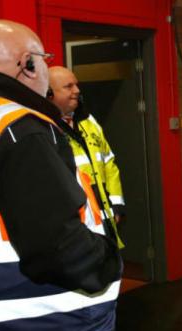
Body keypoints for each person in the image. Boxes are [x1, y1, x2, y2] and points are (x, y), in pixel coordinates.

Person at [0, 20, 121, 331]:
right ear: (27, 64)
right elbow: (57, 245)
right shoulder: (17, 126)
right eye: (44, 58)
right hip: (48, 328)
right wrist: (108, 263)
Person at [47, 66, 126, 249]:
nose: (77, 91)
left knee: (108, 273)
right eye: (68, 86)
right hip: (74, 225)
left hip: (105, 220)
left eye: (76, 85)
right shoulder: (43, 128)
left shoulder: (89, 122)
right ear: (49, 93)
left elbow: (109, 164)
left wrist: (116, 205)